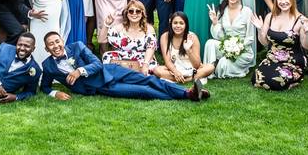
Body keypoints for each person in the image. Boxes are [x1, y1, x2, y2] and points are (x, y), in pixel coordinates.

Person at [39, 32, 208, 102]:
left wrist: (79, 71)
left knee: (147, 80)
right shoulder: (48, 66)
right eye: (51, 45)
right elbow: (44, 86)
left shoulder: (77, 46)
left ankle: (187, 93)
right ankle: (187, 96)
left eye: (57, 41)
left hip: (110, 71)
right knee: (143, 91)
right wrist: (56, 93)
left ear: (62, 40)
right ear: (47, 49)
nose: (55, 46)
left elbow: (97, 64)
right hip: (101, 87)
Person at [251, 0, 308, 91]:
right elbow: (264, 42)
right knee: (256, 78)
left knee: (275, 81)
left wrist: (307, 32)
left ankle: (295, 78)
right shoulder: (270, 17)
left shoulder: (300, 20)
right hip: (272, 60)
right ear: (276, 1)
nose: (283, 2)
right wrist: (260, 29)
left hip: (293, 62)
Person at [203, 0, 256, 78]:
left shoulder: (247, 11)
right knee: (210, 43)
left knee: (222, 65)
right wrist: (215, 22)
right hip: (226, 46)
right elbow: (219, 36)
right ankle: (208, 71)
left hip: (243, 51)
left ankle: (223, 67)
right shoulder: (223, 9)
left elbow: (250, 38)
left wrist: (237, 48)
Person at [153, 12, 215, 85]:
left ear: (186, 25)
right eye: (175, 23)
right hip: (174, 68)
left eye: (181, 23)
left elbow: (197, 65)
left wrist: (188, 50)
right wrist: (175, 72)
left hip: (192, 69)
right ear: (171, 24)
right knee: (157, 70)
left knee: (210, 67)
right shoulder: (165, 37)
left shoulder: (192, 37)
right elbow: (167, 61)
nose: (178, 26)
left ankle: (185, 79)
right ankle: (189, 78)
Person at [101, 0, 157, 74]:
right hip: (122, 59)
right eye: (131, 11)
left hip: (142, 59)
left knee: (151, 66)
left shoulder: (149, 28)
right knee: (107, 56)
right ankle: (133, 75)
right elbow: (101, 40)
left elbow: (150, 48)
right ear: (127, 13)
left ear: (142, 13)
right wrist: (107, 24)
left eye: (138, 11)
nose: (134, 14)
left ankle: (122, 74)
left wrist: (145, 64)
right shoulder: (119, 28)